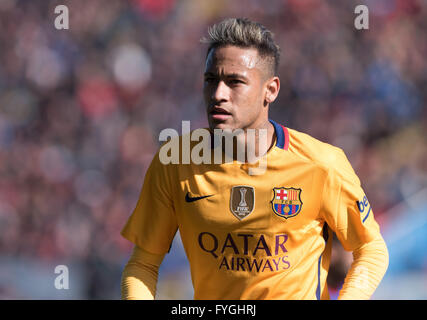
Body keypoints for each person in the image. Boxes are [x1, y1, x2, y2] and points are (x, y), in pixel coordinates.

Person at [120, 17, 389, 300]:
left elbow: (371, 250)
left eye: (235, 82)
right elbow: (142, 264)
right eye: (211, 80)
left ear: (270, 90)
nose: (218, 94)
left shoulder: (321, 164)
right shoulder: (174, 162)